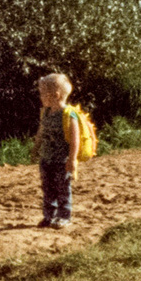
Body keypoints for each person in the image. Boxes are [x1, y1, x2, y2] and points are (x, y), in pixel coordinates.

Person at [35, 73, 78, 229]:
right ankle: (49, 216)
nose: (40, 97)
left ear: (56, 95)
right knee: (48, 188)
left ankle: (64, 216)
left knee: (62, 188)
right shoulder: (45, 112)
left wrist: (72, 159)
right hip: (46, 158)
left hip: (61, 160)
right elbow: (41, 131)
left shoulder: (69, 115)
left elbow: (75, 139)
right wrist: (36, 148)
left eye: (42, 93)